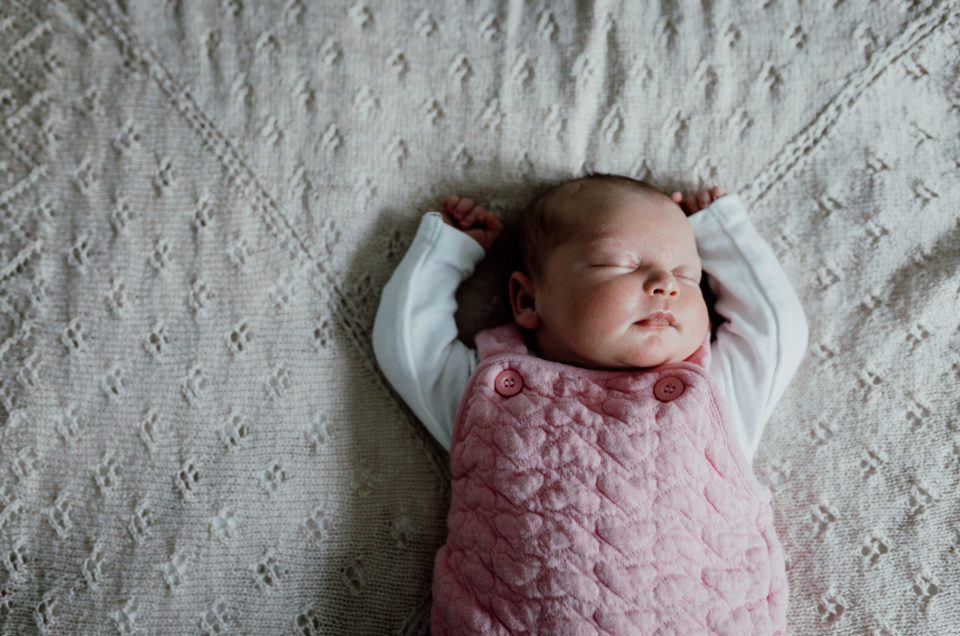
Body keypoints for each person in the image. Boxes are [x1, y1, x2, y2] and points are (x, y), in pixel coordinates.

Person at [373, 174, 808, 634]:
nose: (665, 284)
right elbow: (407, 348)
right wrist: (446, 253)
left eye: (688, 274)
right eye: (619, 264)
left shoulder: (712, 391)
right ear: (526, 299)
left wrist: (721, 235)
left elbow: (777, 331)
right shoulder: (492, 392)